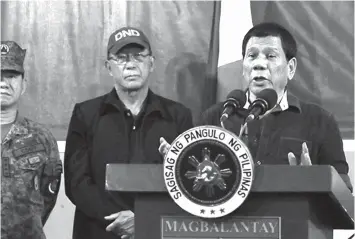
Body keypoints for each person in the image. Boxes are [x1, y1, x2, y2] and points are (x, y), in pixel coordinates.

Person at [159, 22, 352, 191]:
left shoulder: (320, 121)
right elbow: (194, 184)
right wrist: (179, 167)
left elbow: (344, 192)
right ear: (243, 65)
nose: (259, 64)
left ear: (290, 68)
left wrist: (314, 182)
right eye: (252, 56)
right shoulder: (216, 117)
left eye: (270, 56)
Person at [64, 27, 193, 239]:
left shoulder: (179, 116)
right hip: (99, 231)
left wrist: (143, 219)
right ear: (108, 67)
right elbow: (76, 183)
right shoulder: (85, 114)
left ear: (151, 63)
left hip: (157, 231)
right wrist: (119, 220)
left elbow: (187, 182)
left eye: (138, 56)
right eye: (121, 58)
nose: (131, 64)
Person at [1, 41, 62, 239]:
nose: (3, 83)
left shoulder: (41, 138)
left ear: (23, 85)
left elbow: (48, 195)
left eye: (11, 76)